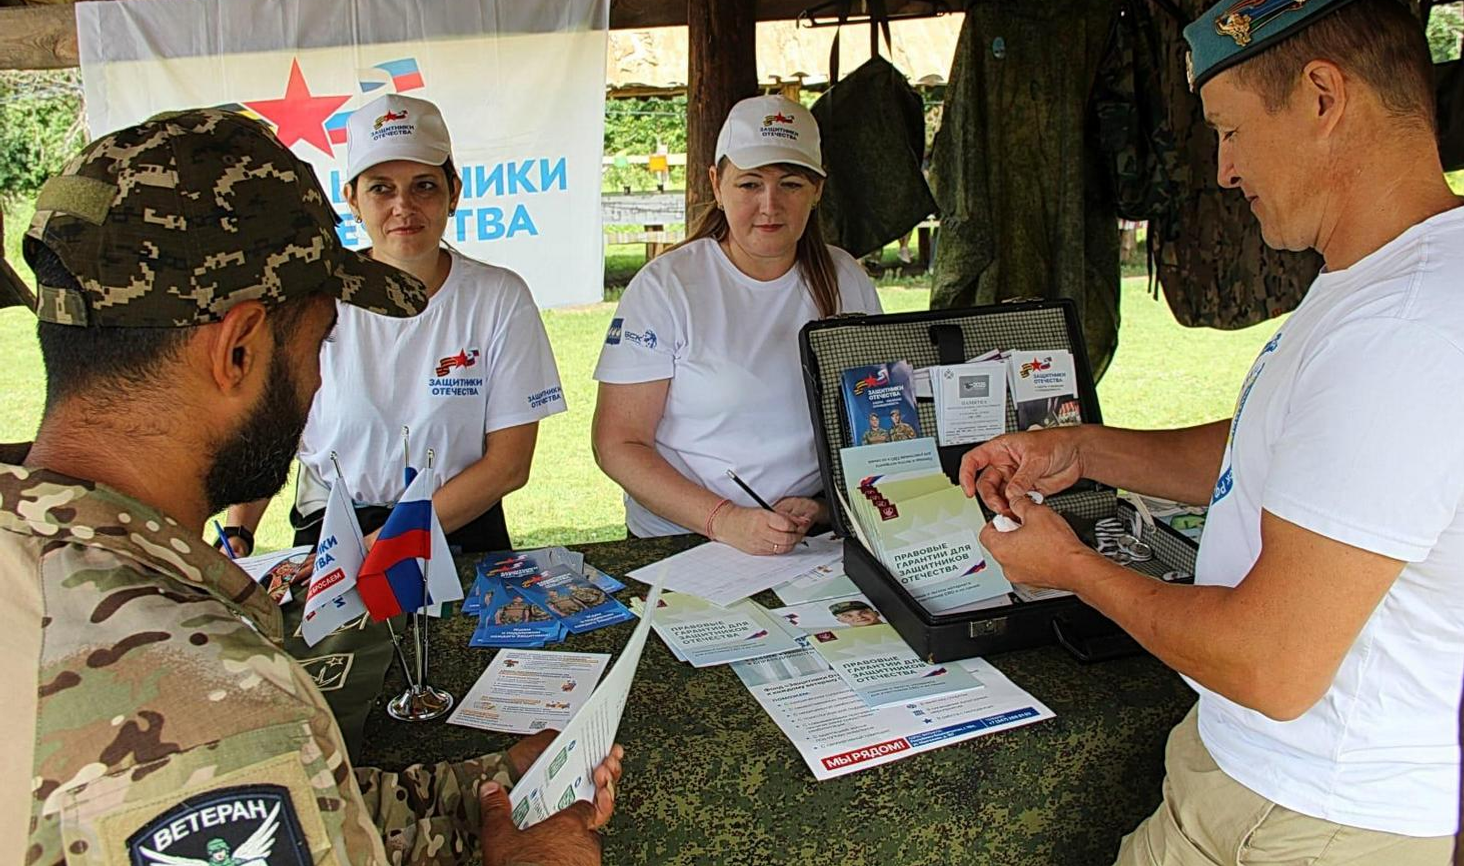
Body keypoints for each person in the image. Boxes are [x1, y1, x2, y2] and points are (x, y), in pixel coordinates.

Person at [5, 109, 622, 865]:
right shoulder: (216, 690)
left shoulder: (52, 559)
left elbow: (315, 801)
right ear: (238, 351)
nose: (328, 373)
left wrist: (484, 786)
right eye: (322, 334)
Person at [961, 0, 1462, 864]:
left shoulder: (1405, 327)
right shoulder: (1389, 282)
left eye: (1230, 131)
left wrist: (1074, 568)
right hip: (1267, 790)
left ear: (1321, 95)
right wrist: (1084, 450)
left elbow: (1270, 664)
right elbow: (1285, 456)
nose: (1224, 171)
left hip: (1305, 818)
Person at [226, 93, 565, 556]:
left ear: (454, 193)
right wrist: (239, 532)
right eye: (381, 188)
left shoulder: (499, 298)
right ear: (351, 199)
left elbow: (508, 464)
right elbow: (272, 428)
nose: (403, 206)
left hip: (457, 527)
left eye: (424, 185)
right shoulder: (311, 299)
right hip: (333, 533)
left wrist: (388, 543)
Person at [592, 94, 882, 555]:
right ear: (717, 183)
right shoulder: (668, 286)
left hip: (810, 539)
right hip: (681, 538)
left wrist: (822, 506)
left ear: (818, 190)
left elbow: (876, 416)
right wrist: (724, 521)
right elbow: (618, 443)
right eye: (749, 185)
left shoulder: (847, 278)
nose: (770, 206)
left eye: (790, 184)